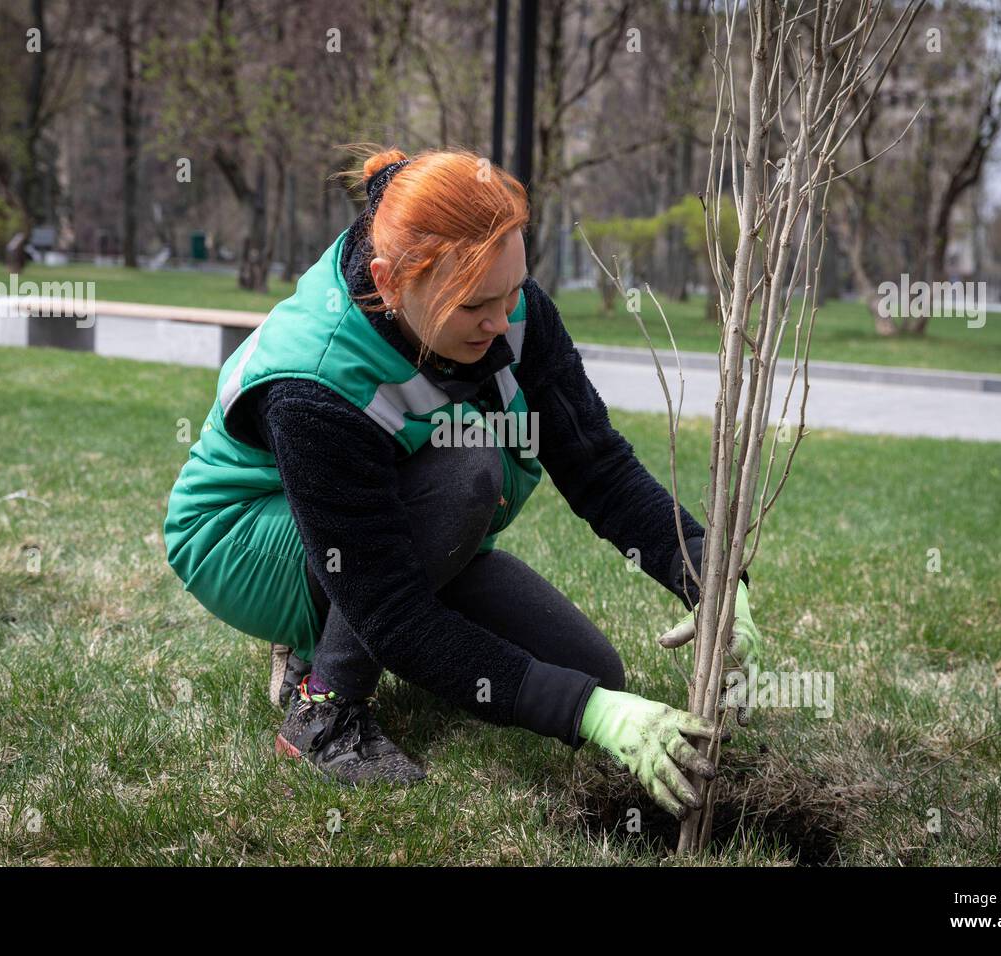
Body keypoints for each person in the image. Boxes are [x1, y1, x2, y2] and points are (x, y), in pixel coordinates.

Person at [163, 145, 764, 819]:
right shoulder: (315, 385)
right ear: (392, 283)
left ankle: (333, 625)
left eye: (512, 292)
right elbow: (392, 613)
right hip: (245, 535)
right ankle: (323, 707)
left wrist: (710, 578)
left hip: (394, 521)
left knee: (592, 674)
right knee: (468, 471)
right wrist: (588, 717)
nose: (504, 322)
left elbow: (597, 466)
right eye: (478, 304)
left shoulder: (512, 311)